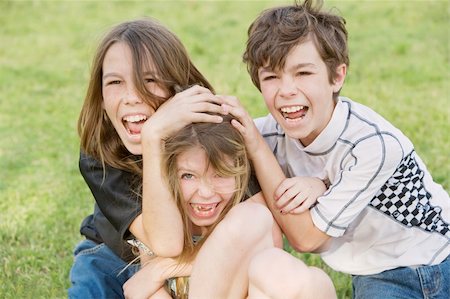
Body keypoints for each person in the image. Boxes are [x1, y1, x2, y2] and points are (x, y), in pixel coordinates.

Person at [218, 0, 449, 298]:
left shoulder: (373, 145)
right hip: (371, 267)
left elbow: (307, 238)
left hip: (422, 267)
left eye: (303, 73)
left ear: (337, 76)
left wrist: (258, 149)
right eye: (272, 77)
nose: (286, 89)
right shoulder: (271, 131)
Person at [68, 18, 225, 299]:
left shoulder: (214, 133)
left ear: (179, 88)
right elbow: (164, 241)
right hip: (113, 255)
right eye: (115, 82)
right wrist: (153, 137)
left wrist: (158, 273)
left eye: (149, 80)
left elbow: (256, 226)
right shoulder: (99, 152)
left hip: (202, 256)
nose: (131, 96)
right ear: (101, 96)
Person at [123, 112, 335, 299]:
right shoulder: (165, 225)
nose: (205, 193)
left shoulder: (248, 222)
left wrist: (161, 270)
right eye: (188, 176)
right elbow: (144, 292)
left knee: (298, 275)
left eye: (220, 175)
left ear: (240, 174)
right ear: (169, 175)